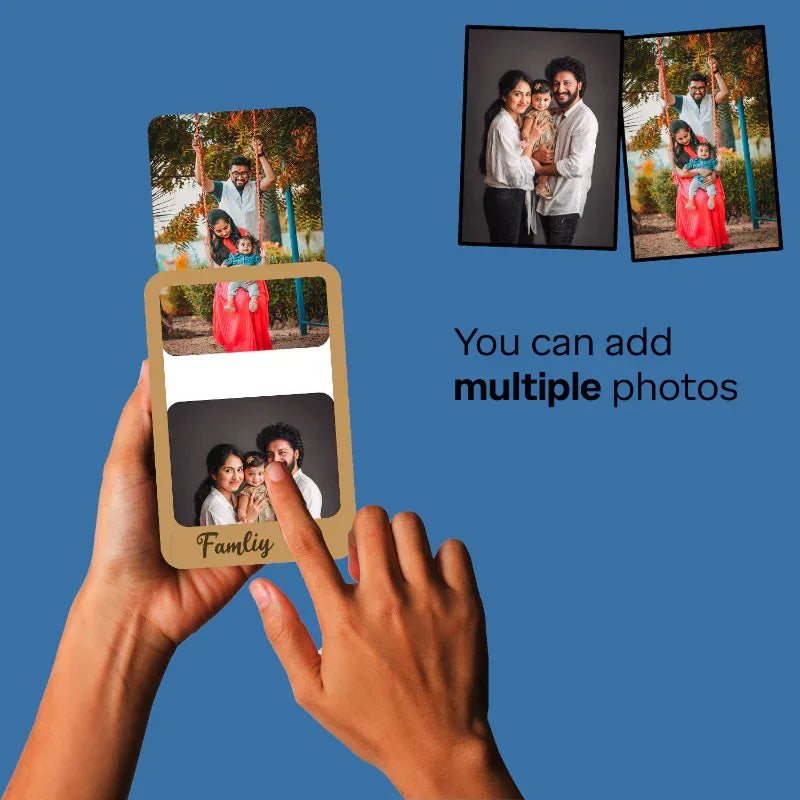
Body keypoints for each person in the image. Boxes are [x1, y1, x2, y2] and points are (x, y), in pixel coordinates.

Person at [3, 363, 522, 800]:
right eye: (259, 460)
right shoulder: (231, 500)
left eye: (278, 458)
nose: (265, 468)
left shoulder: (305, 494)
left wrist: (445, 752)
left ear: (296, 457)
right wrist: (446, 753)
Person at [531, 57, 599, 247]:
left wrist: (541, 169)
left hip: (564, 205)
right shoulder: (557, 114)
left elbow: (576, 166)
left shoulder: (584, 118)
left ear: (579, 85)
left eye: (567, 83)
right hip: (546, 204)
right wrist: (536, 156)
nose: (560, 89)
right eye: (556, 84)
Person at [479, 69, 551, 245]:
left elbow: (519, 157)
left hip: (516, 196)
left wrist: (536, 154)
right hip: (505, 197)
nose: (525, 100)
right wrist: (533, 140)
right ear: (504, 96)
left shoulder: (518, 121)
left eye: (528, 94)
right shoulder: (502, 125)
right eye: (518, 94)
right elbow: (515, 176)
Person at [207, 208, 272, 352]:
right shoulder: (210, 243)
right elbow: (216, 270)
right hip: (228, 281)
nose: (224, 232)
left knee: (257, 300)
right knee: (242, 300)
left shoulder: (243, 233)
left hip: (250, 277)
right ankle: (243, 345)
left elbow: (256, 259)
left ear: (229, 221)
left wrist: (252, 273)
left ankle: (258, 345)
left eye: (225, 227)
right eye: (219, 231)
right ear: (212, 229)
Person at [193, 135, 276, 241]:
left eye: (244, 173)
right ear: (229, 172)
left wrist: (260, 153)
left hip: (252, 242)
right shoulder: (221, 188)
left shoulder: (255, 187)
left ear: (249, 173)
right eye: (235, 173)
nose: (240, 177)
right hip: (230, 243)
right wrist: (198, 153)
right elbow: (201, 180)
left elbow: (271, 178)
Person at [669, 120, 729, 251]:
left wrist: (712, 176)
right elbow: (680, 173)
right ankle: (708, 241)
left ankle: (721, 240)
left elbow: (714, 164)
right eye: (680, 138)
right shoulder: (673, 150)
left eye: (685, 136)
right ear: (674, 137)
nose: (684, 140)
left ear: (689, 130)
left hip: (709, 179)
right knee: (701, 199)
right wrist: (698, 171)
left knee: (716, 199)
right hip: (689, 181)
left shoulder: (702, 141)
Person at [256, 422, 323, 518]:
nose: (275, 459)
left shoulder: (307, 488)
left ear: (296, 454)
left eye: (282, 452)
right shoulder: (267, 485)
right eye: (270, 454)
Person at [659, 58, 730, 147]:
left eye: (701, 88)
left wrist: (715, 70)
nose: (697, 91)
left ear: (706, 87)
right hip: (690, 148)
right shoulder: (681, 101)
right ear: (689, 87)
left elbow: (725, 92)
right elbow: (663, 94)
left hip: (709, 147)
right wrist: (661, 71)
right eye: (694, 88)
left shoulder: (711, 99)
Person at [194, 443, 270, 526]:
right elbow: (228, 539)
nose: (236, 477)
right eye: (228, 470)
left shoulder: (233, 498)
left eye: (239, 469)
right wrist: (249, 520)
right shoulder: (214, 508)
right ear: (214, 474)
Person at [520, 78, 558, 199]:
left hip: (547, 144)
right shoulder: (532, 114)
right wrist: (526, 138)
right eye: (537, 99)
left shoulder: (546, 111)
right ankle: (540, 185)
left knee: (549, 165)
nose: (541, 103)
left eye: (546, 100)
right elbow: (526, 129)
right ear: (531, 98)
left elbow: (549, 111)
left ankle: (541, 185)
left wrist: (557, 110)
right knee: (534, 163)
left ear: (551, 99)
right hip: (536, 144)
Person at [222, 234, 262, 313]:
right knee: (231, 286)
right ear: (237, 248)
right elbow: (224, 265)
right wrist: (226, 266)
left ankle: (253, 302)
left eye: (248, 245)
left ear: (252, 248)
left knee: (254, 288)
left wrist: (263, 257)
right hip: (237, 279)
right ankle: (230, 303)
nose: (245, 247)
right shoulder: (234, 257)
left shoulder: (254, 257)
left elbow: (261, 266)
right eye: (243, 245)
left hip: (249, 280)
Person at [237, 451, 276, 523]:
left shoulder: (267, 486)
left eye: (260, 474)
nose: (256, 478)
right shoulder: (246, 491)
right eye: (251, 474)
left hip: (271, 521)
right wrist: (243, 518)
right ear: (244, 473)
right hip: (256, 523)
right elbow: (241, 508)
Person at [684, 141, 722, 210]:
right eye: (701, 151)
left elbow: (718, 169)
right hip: (697, 179)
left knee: (712, 188)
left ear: (709, 153)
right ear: (697, 153)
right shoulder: (694, 161)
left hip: (707, 180)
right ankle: (691, 202)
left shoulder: (711, 161)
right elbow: (689, 166)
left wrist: (719, 161)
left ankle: (711, 201)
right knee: (691, 187)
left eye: (706, 151)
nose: (704, 152)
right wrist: (686, 168)